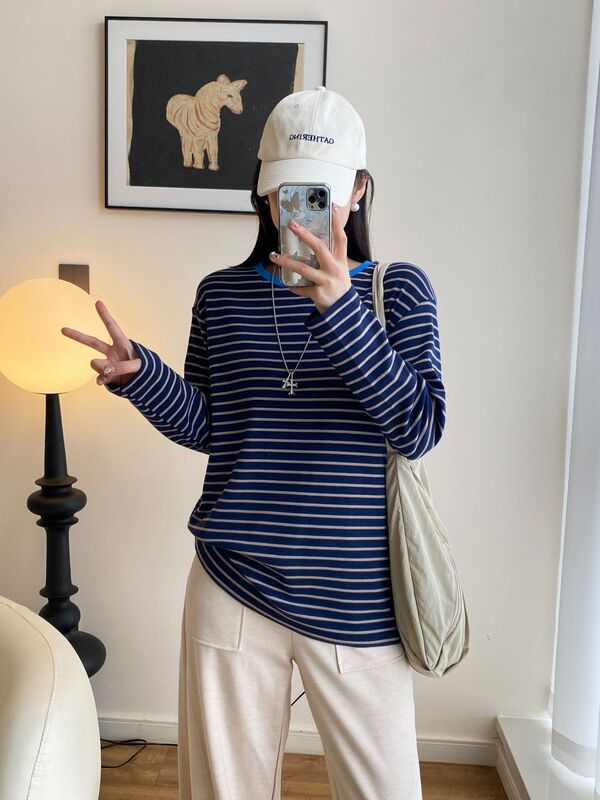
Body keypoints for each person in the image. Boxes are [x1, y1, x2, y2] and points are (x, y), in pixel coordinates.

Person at [62, 86, 445, 800]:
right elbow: (213, 428)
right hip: (232, 582)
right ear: (264, 193)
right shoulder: (222, 294)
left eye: (322, 192)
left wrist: (340, 310)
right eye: (289, 191)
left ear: (358, 190)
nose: (302, 209)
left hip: (356, 598)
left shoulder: (399, 292)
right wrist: (142, 377)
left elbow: (419, 428)